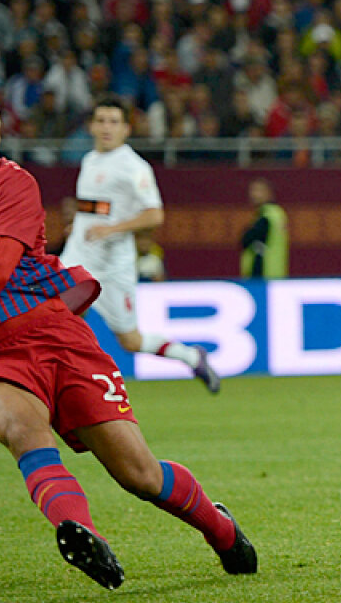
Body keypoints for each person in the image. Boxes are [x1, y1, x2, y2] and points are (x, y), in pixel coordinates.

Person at [0, 89, 256, 589]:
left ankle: (221, 529)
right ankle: (77, 529)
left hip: (55, 336)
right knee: (23, 432)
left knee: (139, 475)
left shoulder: (11, 183)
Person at [59, 98, 221, 393]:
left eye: (114, 122)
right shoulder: (89, 160)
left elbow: (155, 214)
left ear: (126, 129)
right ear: (91, 126)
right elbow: (97, 207)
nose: (107, 127)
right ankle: (63, 383)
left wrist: (112, 229)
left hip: (112, 266)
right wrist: (80, 224)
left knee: (130, 340)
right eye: (102, 120)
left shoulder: (134, 167)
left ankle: (189, 355)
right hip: (79, 256)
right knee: (58, 317)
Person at [239, 177, 289, 279]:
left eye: (258, 191)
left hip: (264, 276)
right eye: (252, 190)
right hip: (276, 274)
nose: (253, 195)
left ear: (268, 193)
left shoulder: (267, 217)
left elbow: (248, 240)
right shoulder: (277, 214)